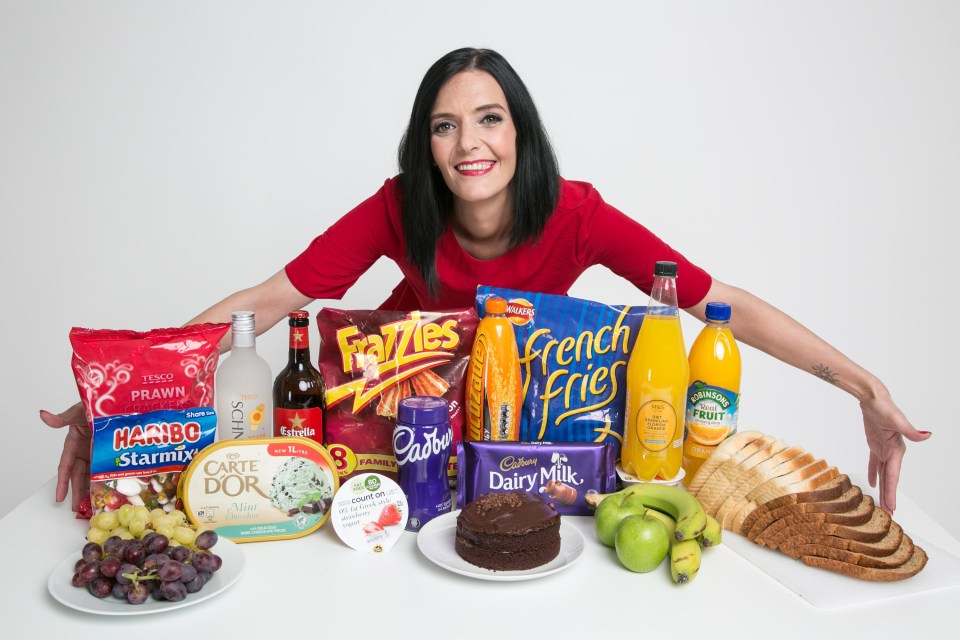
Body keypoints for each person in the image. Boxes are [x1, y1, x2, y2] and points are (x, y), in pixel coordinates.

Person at [41, 47, 929, 516]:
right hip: (387, 448)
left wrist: (866, 387)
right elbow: (269, 302)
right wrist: (126, 391)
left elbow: (717, 305)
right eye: (444, 125)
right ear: (424, 146)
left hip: (522, 458)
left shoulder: (577, 213)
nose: (470, 142)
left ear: (521, 132)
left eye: (490, 118)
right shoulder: (398, 207)